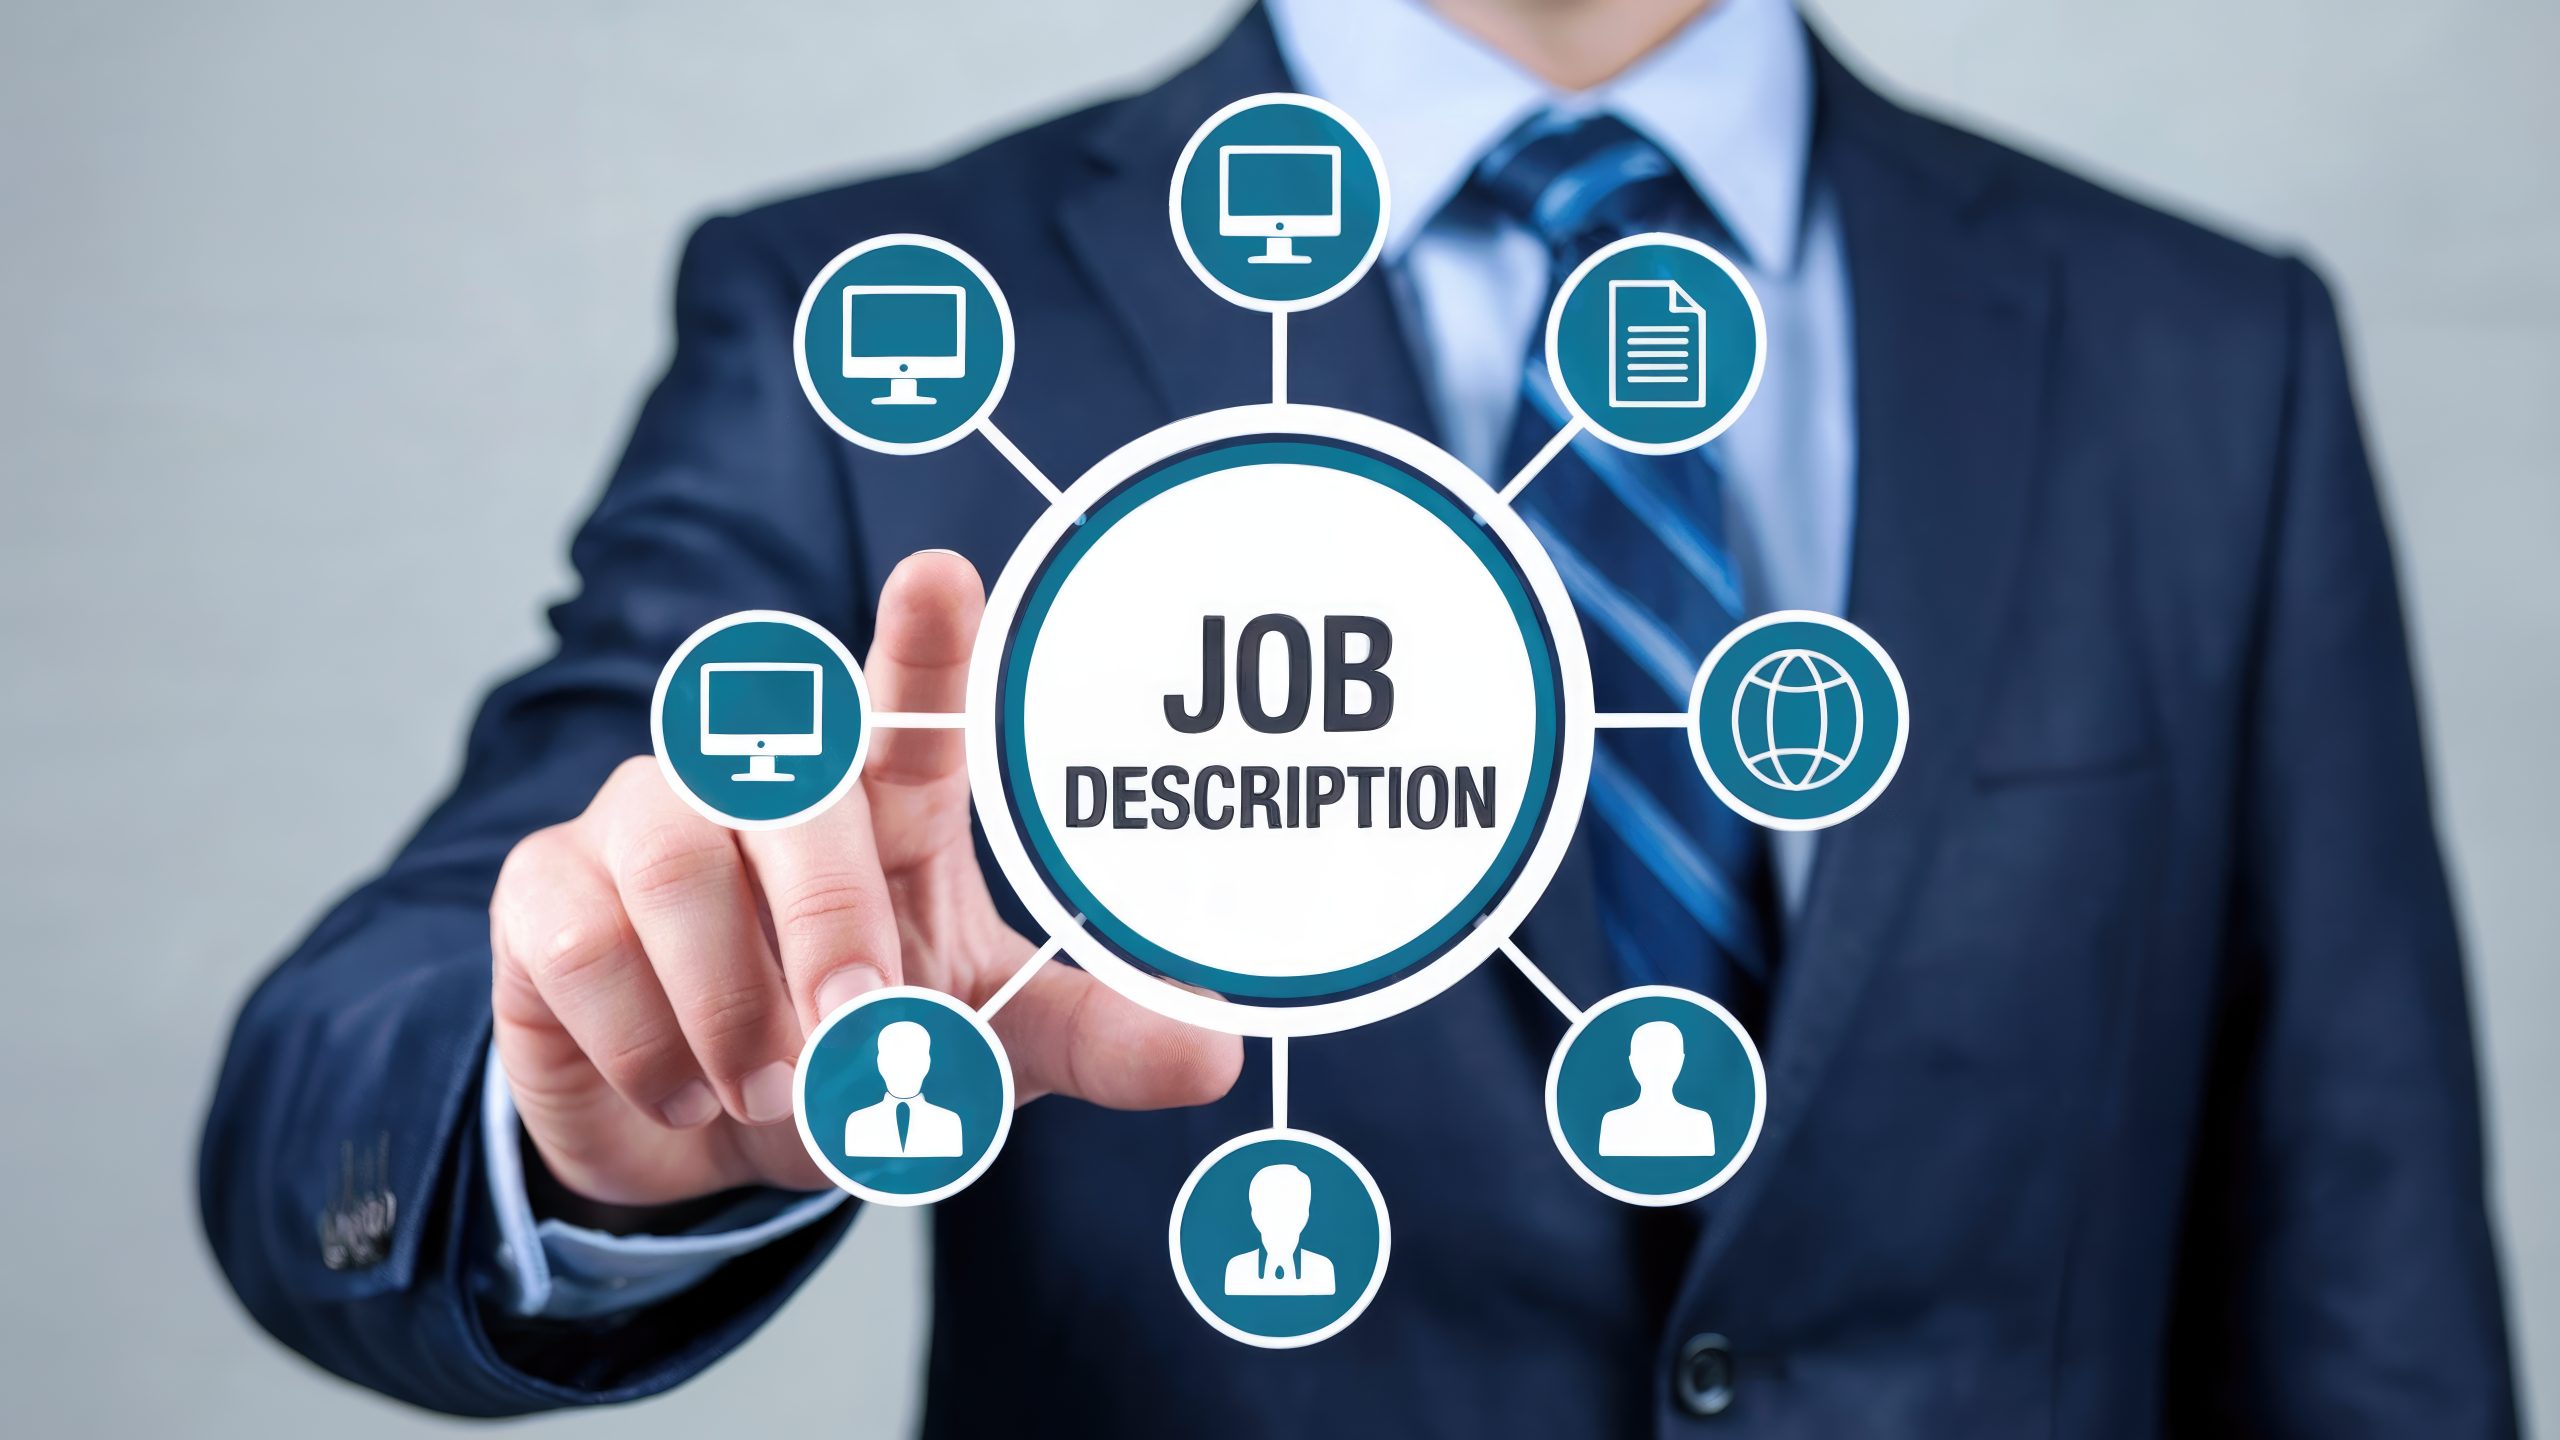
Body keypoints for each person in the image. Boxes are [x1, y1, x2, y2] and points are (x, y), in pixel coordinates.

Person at [197, 0, 2521, 1432]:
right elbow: (367, 1053)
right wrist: (585, 1098)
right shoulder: (887, 320)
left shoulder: (2200, 357)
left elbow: (2363, 1256)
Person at [840, 1021, 963, 1160]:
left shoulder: (948, 1123)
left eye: (913, 1058)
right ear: (880, 1063)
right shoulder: (858, 1123)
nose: (903, 1067)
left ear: (927, 1063)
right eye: (894, 1058)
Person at [1596, 1021, 1715, 1157]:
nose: (1656, 1064)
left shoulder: (1698, 1124)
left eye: (1666, 1054)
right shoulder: (1613, 1124)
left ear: (1681, 1060)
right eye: (1647, 1054)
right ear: (1632, 1061)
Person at [1223, 1164, 1338, 1297]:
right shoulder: (1238, 1270)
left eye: (1291, 1206)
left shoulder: (1321, 1270)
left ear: (1305, 1214)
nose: (1281, 1215)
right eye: (1271, 1206)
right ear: (1255, 1214)